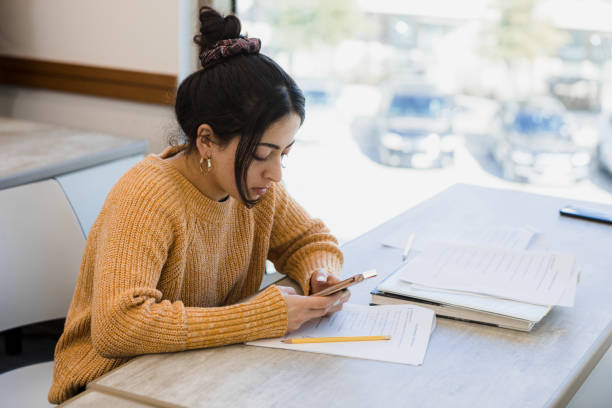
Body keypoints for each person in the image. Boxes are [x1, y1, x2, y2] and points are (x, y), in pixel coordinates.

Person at [48, 7, 349, 404]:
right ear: (206, 140)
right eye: (263, 153)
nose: (276, 173)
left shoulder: (255, 187)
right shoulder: (148, 197)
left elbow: (308, 241)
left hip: (195, 368)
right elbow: (119, 327)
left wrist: (322, 275)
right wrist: (260, 317)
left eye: (285, 154)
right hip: (108, 385)